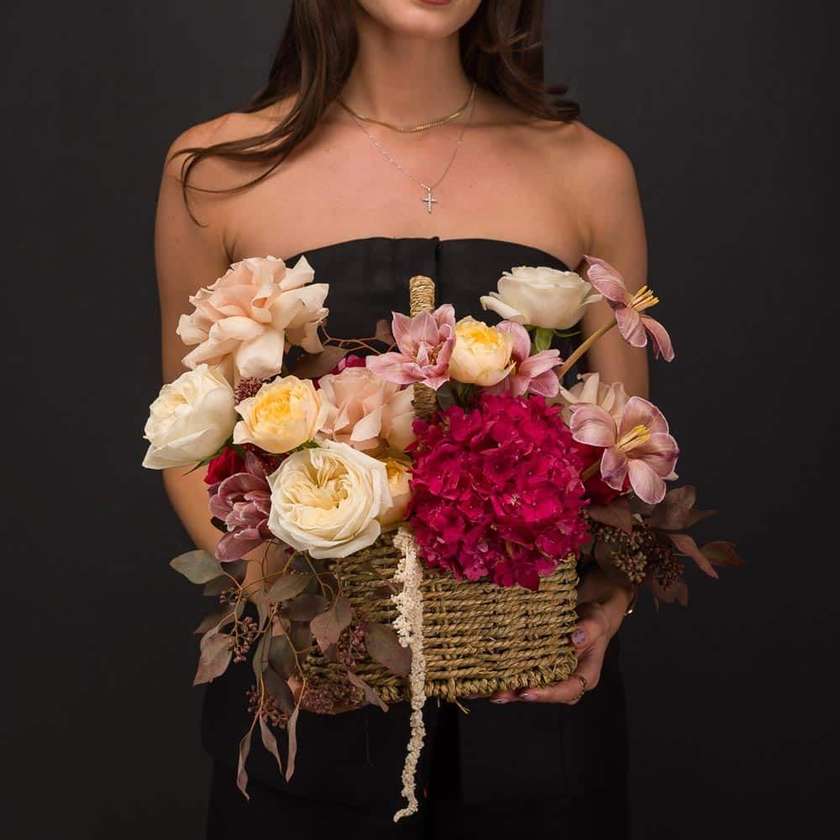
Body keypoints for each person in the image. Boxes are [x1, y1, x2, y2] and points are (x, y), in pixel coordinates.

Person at [153, 1, 643, 836]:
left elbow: (627, 441)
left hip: (535, 726)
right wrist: (297, 610)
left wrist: (613, 597)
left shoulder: (588, 170)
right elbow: (183, 441)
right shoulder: (217, 169)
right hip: (311, 731)